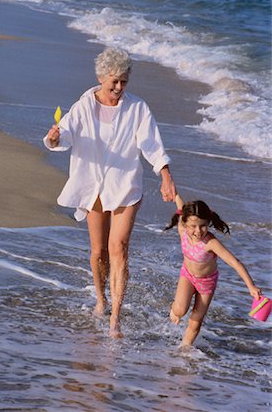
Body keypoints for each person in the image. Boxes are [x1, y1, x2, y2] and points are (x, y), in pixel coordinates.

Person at [44, 47, 176, 338]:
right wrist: (54, 138)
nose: (118, 88)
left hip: (125, 184)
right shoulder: (82, 107)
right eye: (113, 81)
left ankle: (116, 315)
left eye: (124, 82)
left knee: (118, 248)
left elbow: (152, 144)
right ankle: (101, 299)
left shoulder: (138, 108)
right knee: (98, 252)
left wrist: (165, 176)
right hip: (93, 185)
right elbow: (63, 135)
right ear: (101, 77)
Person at [165, 194, 262, 347]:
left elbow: (234, 262)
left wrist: (250, 286)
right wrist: (175, 195)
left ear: (208, 222)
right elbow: (180, 208)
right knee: (180, 311)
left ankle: (184, 349)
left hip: (206, 283)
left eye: (203, 225)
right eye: (193, 226)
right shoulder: (182, 230)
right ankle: (175, 307)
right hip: (188, 276)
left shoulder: (211, 243)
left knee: (196, 321)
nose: (198, 231)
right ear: (184, 222)